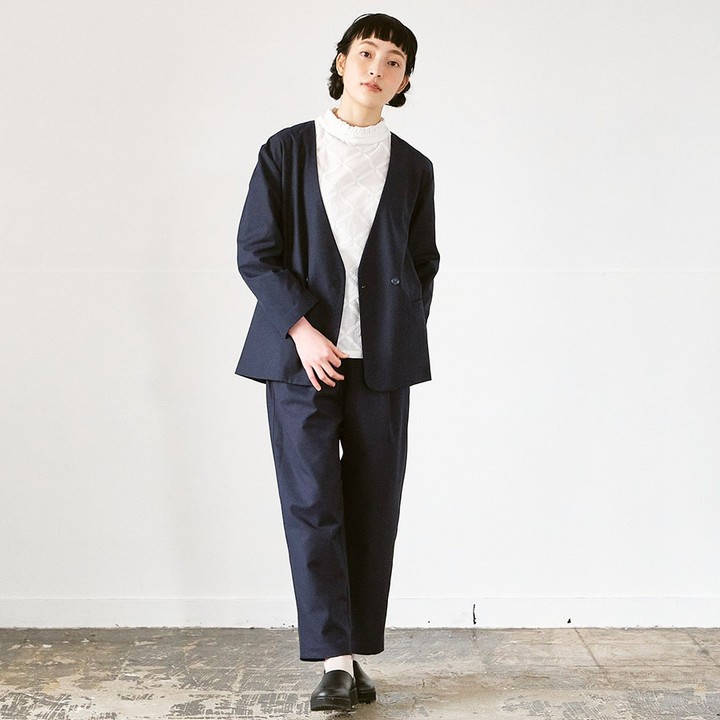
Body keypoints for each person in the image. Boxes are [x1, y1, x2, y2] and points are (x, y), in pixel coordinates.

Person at [235, 13, 439, 712]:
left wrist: (396, 329)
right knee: (313, 505)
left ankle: (352, 654)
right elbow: (255, 252)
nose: (376, 68)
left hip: (380, 366)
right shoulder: (287, 150)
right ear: (340, 61)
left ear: (405, 81)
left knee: (373, 507)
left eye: (393, 61)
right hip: (301, 363)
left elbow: (423, 263)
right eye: (366, 53)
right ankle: (334, 661)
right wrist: (302, 329)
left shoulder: (413, 168)